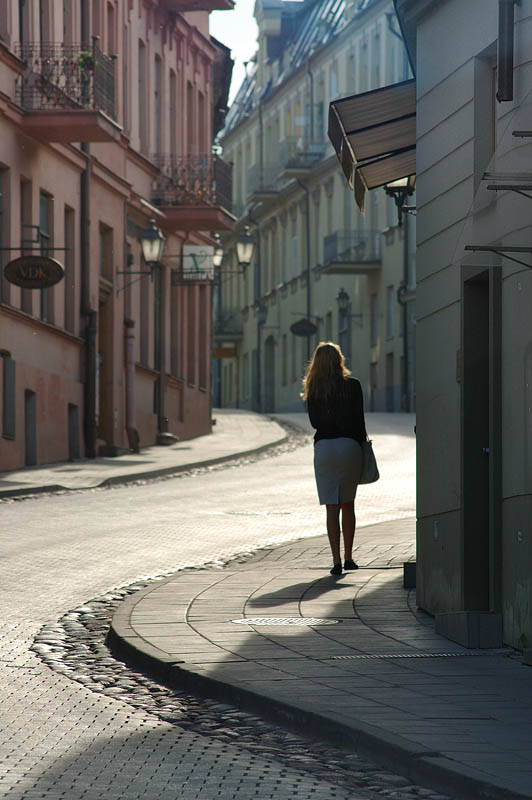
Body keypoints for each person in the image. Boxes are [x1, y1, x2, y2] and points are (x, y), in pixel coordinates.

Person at [301, 341, 367, 576]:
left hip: (325, 448)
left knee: (332, 506)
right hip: (349, 446)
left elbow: (315, 423)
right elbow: (360, 423)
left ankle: (336, 561)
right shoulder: (353, 386)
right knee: (348, 504)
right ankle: (350, 557)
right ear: (339, 360)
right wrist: (360, 445)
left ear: (316, 363)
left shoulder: (314, 390)